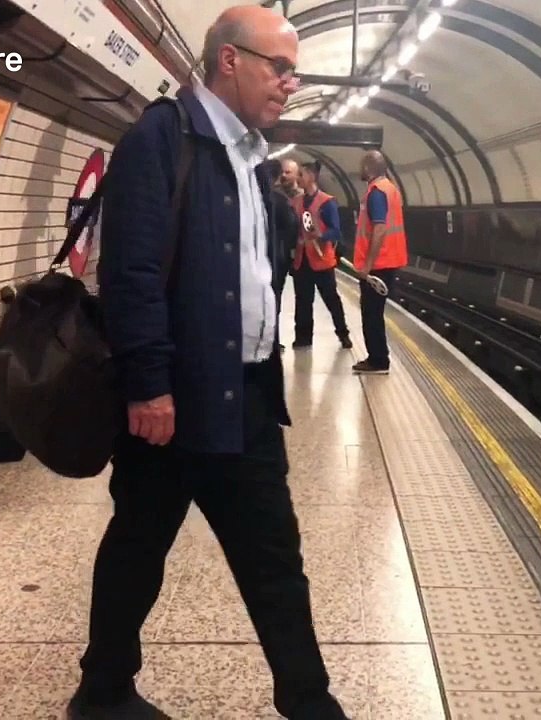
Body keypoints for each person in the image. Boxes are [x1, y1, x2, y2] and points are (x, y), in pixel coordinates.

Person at [72, 7, 349, 720]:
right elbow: (130, 274)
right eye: (280, 67)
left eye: (295, 71)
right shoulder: (161, 141)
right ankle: (102, 692)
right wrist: (149, 384)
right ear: (230, 61)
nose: (291, 83)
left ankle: (310, 703)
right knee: (138, 548)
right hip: (174, 398)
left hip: (249, 395)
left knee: (276, 562)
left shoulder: (252, 157)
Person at [351, 150, 407, 375]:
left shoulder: (376, 193)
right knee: (374, 313)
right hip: (388, 261)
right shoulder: (391, 189)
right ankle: (378, 357)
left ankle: (378, 360)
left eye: (362, 165)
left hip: (378, 266)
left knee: (371, 314)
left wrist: (367, 266)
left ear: (368, 168)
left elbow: (380, 228)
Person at [290, 160, 351, 349]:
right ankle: (303, 338)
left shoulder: (326, 202)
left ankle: (343, 334)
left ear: (312, 177)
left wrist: (321, 236)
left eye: (301, 174)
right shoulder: (296, 202)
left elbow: (336, 231)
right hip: (302, 261)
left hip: (322, 261)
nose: (298, 178)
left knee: (331, 299)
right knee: (303, 302)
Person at [262, 158, 299, 324]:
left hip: (259, 254)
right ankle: (272, 339)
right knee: (275, 296)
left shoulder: (258, 196)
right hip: (278, 256)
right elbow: (292, 226)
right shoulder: (282, 201)